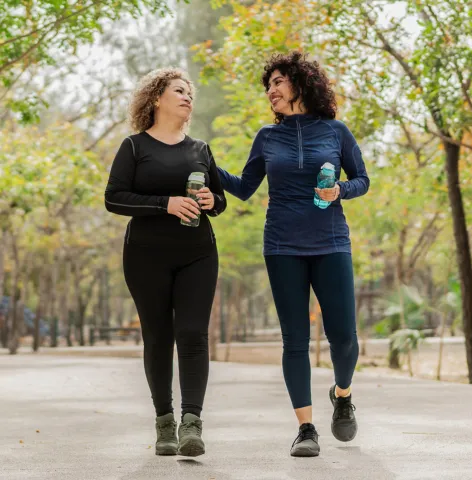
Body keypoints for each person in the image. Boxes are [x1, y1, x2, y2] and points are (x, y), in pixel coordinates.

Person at [218, 51, 369, 457]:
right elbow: (246, 186)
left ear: (300, 84)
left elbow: (362, 179)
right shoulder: (267, 137)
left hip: (331, 241)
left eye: (277, 83)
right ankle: (306, 429)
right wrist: (207, 163)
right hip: (282, 245)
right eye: (268, 87)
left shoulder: (336, 132)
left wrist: (340, 190)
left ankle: (342, 393)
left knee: (345, 338)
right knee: (294, 341)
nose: (271, 92)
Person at [105, 68, 226, 457]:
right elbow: (114, 198)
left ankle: (192, 424)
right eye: (179, 90)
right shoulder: (135, 147)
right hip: (145, 256)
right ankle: (164, 425)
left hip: (198, 253)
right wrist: (165, 204)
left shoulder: (200, 149)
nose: (188, 97)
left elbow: (220, 202)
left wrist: (211, 201)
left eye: (190, 92)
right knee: (158, 337)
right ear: (157, 98)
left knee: (192, 334)